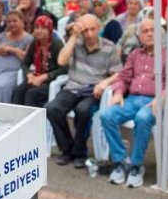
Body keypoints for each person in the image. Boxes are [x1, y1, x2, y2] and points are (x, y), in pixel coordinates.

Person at [102, 19, 168, 188]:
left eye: (152, 30)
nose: (149, 34)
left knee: (142, 118)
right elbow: (123, 77)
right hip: (132, 99)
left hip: (155, 101)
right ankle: (120, 160)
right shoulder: (135, 54)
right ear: (139, 36)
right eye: (145, 31)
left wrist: (161, 97)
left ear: (160, 34)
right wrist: (118, 92)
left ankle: (136, 165)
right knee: (106, 115)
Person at [47, 14, 121, 168]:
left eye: (92, 29)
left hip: (93, 90)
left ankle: (80, 151)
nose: (89, 34)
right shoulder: (76, 42)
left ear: (99, 28)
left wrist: (105, 82)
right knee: (52, 108)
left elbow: (118, 73)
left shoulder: (109, 46)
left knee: (83, 111)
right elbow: (61, 61)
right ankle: (67, 149)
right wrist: (74, 36)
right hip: (73, 86)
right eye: (85, 30)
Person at [11, 15, 66, 107]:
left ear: (49, 30)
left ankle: (32, 117)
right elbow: (25, 64)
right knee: (18, 91)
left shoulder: (57, 44)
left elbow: (64, 69)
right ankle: (16, 115)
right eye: (37, 28)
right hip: (36, 76)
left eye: (43, 28)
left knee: (31, 94)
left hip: (51, 80)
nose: (39, 31)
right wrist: (29, 75)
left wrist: (44, 77)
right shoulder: (35, 43)